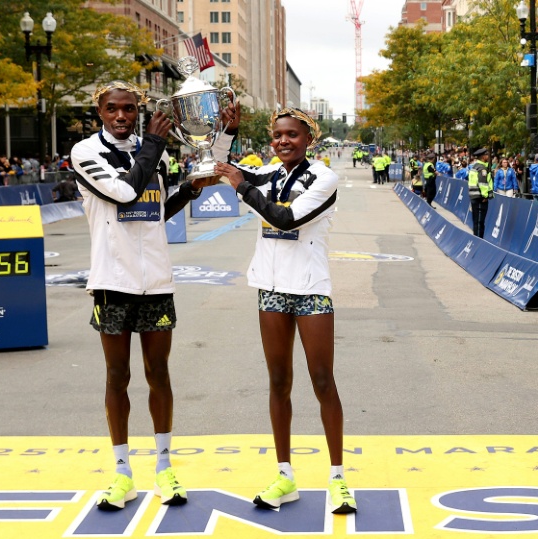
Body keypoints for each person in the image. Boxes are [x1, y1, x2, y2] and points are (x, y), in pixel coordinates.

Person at [70, 80, 239, 511]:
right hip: (112, 281)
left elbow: (157, 210)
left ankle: (163, 465)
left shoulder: (155, 151)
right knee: (117, 376)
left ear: (138, 110)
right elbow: (125, 193)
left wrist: (221, 143)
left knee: (159, 373)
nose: (121, 116)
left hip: (157, 282)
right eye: (113, 109)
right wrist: (155, 144)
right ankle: (122, 471)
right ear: (100, 113)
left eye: (128, 108)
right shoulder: (87, 153)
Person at [213, 107, 357, 515]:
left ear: (308, 138)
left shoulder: (324, 178)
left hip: (310, 288)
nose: (283, 142)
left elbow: (285, 216)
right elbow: (219, 166)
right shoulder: (270, 173)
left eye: (292, 135)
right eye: (277, 135)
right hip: (271, 287)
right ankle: (285, 475)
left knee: (323, 380)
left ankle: (338, 478)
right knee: (278, 381)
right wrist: (230, 130)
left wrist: (242, 187)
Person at [468, 148, 493, 238]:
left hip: (474, 196)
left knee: (476, 221)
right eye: (487, 155)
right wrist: (485, 196)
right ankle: (478, 241)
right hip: (480, 198)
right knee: (479, 222)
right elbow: (482, 184)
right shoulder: (482, 168)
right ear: (483, 157)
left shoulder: (475, 166)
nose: (488, 157)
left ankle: (476, 238)